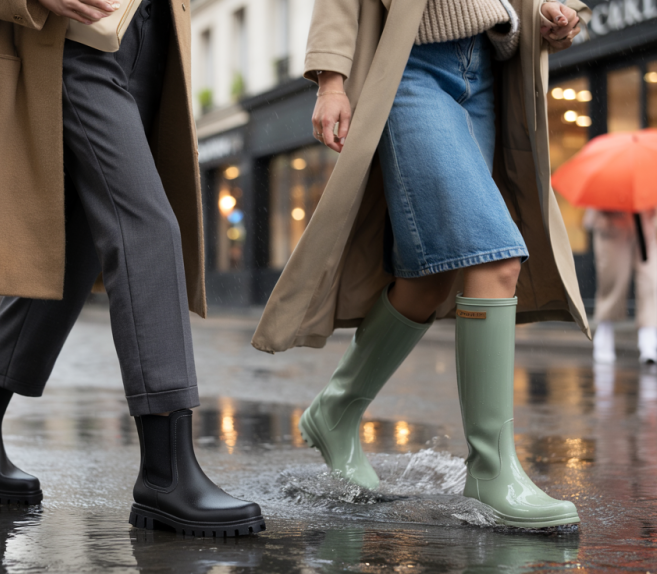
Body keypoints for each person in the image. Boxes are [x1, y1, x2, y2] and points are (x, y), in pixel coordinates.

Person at [0, 0, 265, 537]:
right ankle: (166, 471)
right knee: (147, 230)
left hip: (150, 40)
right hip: (73, 40)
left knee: (73, 248)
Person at [252, 0, 590, 529]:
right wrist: (331, 81)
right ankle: (491, 470)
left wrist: (553, 11)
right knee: (494, 257)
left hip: (486, 67)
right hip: (408, 69)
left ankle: (334, 411)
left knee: (433, 277)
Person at [588, 209, 657, 364]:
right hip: (612, 224)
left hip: (644, 224)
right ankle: (604, 336)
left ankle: (649, 341)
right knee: (613, 280)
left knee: (649, 282)